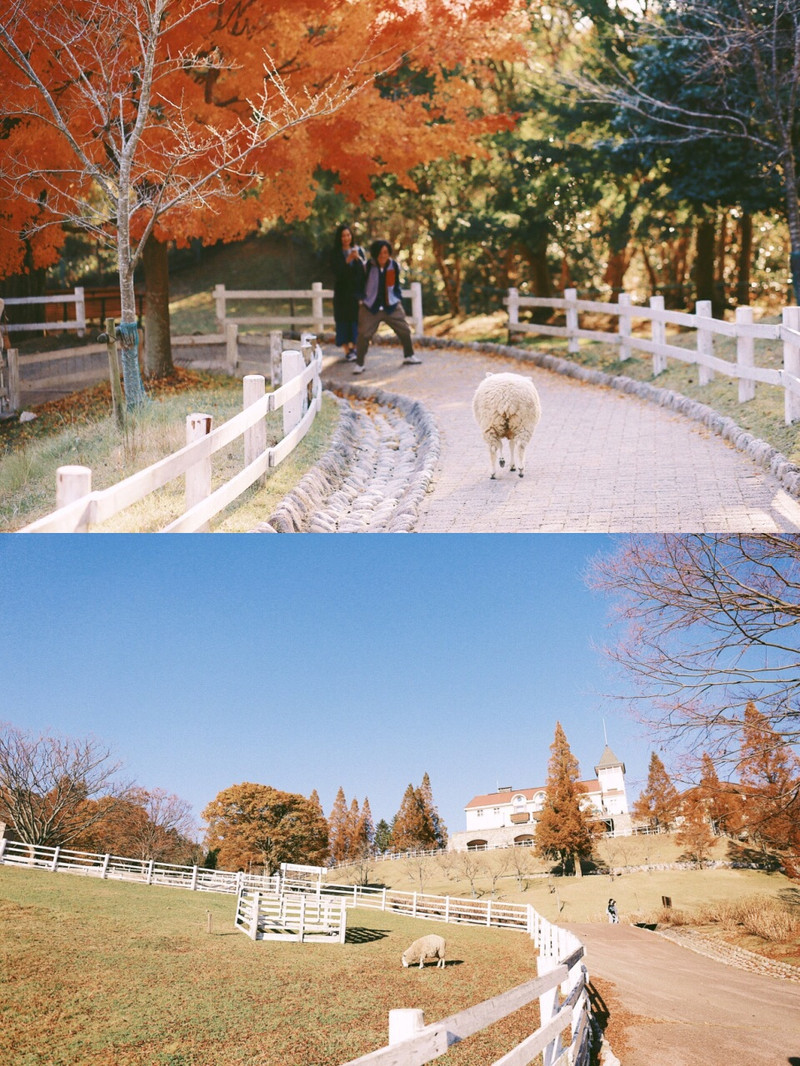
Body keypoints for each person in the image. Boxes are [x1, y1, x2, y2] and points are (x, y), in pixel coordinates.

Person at [352, 239, 422, 374]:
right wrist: (361, 300)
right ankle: (359, 363)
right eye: (380, 253)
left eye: (386, 252)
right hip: (370, 306)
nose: (383, 255)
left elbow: (395, 285)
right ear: (375, 253)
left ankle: (409, 355)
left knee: (404, 330)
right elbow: (359, 285)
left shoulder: (394, 266)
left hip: (391, 305)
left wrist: (397, 297)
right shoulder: (367, 266)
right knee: (363, 335)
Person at [330, 223, 365, 361]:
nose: (346, 238)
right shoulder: (335, 253)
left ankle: (355, 348)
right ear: (339, 237)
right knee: (342, 321)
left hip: (354, 293)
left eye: (348, 235)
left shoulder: (358, 250)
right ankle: (346, 350)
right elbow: (337, 273)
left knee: (355, 321)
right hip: (341, 294)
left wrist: (358, 259)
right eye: (343, 236)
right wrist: (347, 260)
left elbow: (363, 272)